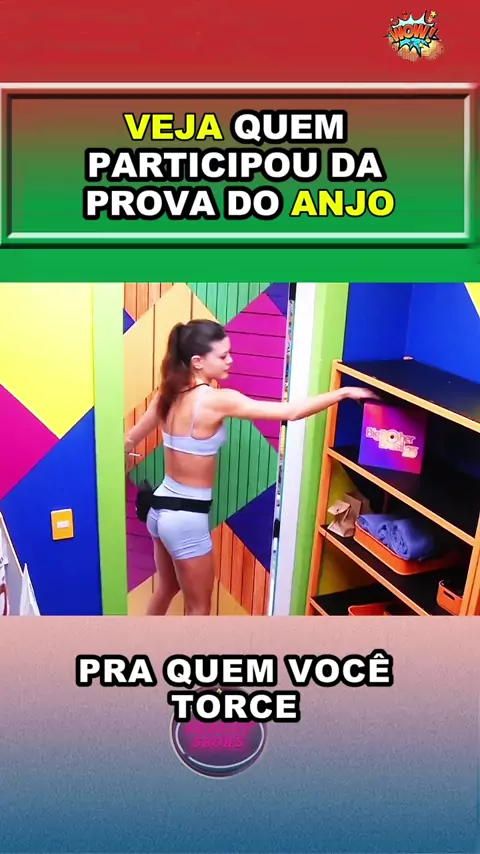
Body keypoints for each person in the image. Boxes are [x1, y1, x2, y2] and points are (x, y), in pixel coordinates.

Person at [125, 319, 377, 616]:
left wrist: (123, 458)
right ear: (197, 362)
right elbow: (291, 412)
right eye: (222, 356)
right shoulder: (217, 401)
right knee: (199, 608)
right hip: (185, 520)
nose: (230, 360)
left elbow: (129, 439)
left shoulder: (167, 395)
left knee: (167, 588)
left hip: (159, 510)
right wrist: (342, 393)